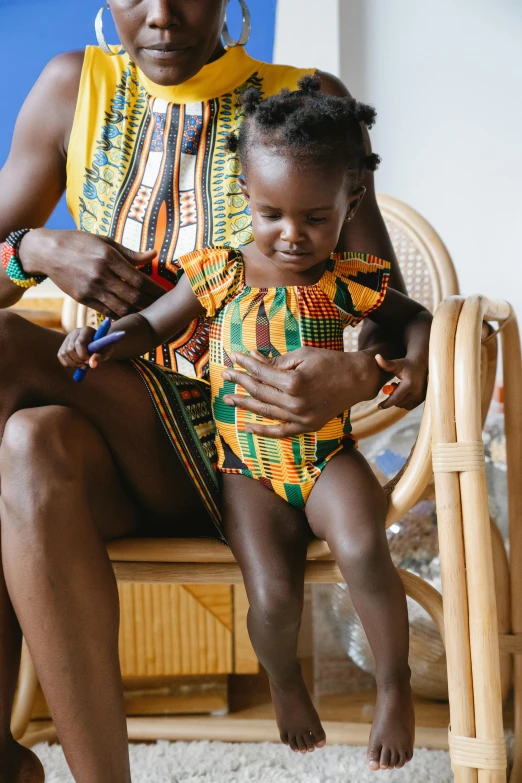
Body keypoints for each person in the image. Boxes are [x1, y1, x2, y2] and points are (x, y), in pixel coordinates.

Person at [0, 2, 423, 781]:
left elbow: (388, 313)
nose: (162, 15)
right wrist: (34, 247)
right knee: (29, 444)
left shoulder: (303, 99)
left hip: (252, 455)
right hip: (117, 440)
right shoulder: (71, 88)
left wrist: (357, 374)